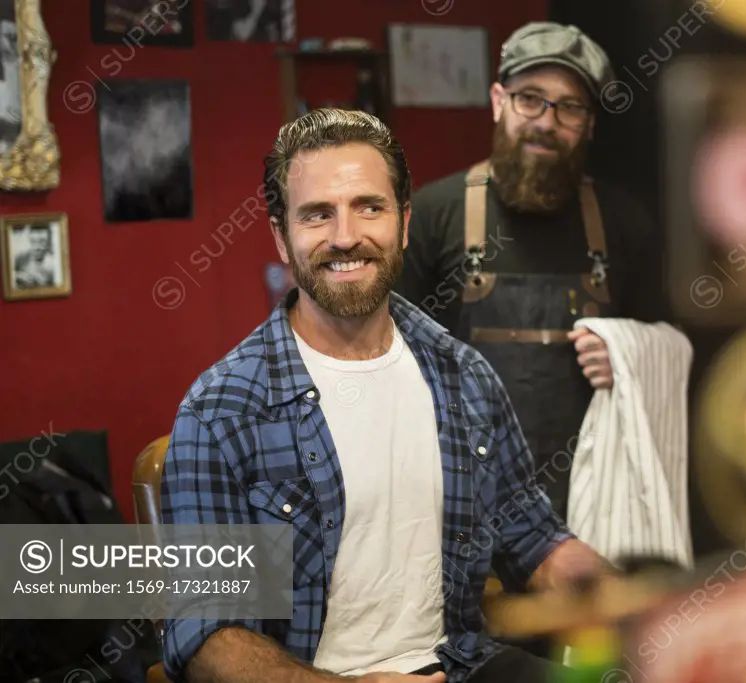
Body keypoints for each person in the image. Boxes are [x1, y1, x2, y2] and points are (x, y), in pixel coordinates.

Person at [160, 108, 609, 683]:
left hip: (463, 665)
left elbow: (533, 537)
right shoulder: (221, 410)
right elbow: (206, 632)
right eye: (318, 214)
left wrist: (632, 596)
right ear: (281, 237)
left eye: (368, 207)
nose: (346, 237)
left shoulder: (463, 375)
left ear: (402, 223)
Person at [395, 22, 671, 522]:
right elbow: (388, 362)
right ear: (498, 101)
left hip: (591, 511)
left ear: (589, 124)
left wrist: (630, 359)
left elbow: (672, 342)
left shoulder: (624, 222)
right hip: (462, 511)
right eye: (530, 99)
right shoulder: (433, 215)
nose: (547, 121)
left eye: (569, 107)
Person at [13, 224, 56, 289]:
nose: (36, 247)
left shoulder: (52, 266)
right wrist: (18, 275)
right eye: (33, 242)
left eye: (42, 242)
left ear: (48, 243)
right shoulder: (21, 257)